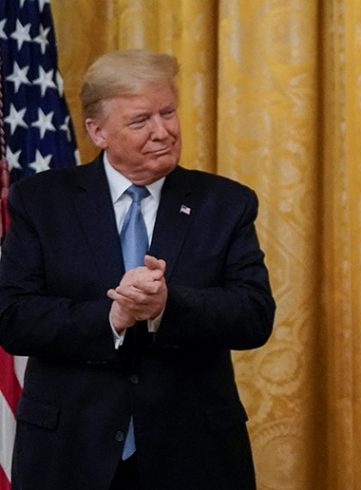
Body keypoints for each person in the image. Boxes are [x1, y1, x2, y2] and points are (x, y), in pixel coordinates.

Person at [0, 49, 275, 489]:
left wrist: (168, 305)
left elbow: (254, 315)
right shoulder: (41, 202)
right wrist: (112, 317)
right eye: (140, 120)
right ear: (97, 131)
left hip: (192, 454)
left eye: (168, 113)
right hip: (70, 453)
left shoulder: (225, 203)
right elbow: (13, 318)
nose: (162, 131)